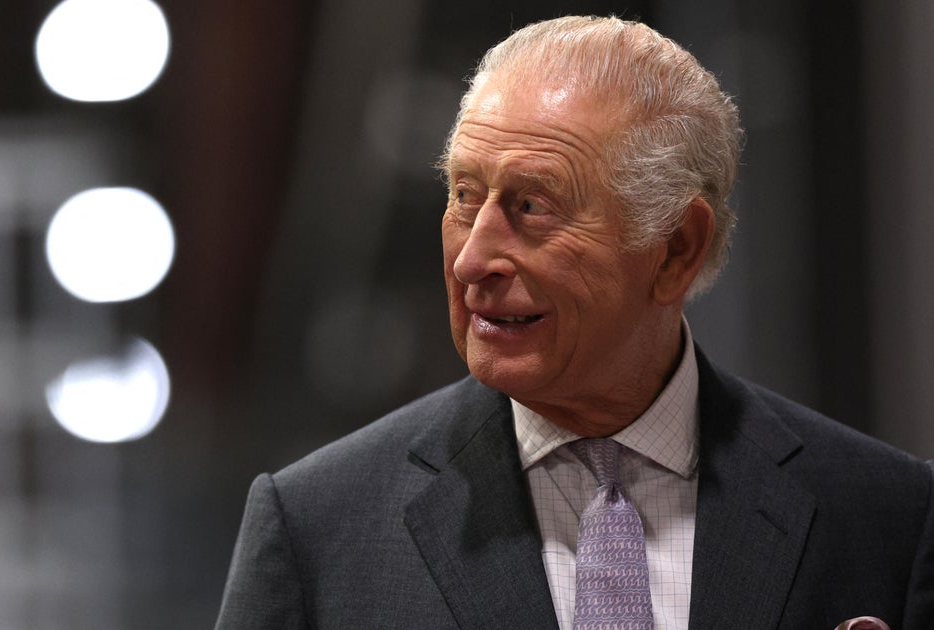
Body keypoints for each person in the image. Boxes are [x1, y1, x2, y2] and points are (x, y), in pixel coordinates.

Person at [215, 15, 934, 630]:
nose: (472, 259)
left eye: (532, 206)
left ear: (675, 249)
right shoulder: (315, 529)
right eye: (464, 196)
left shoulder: (887, 517)